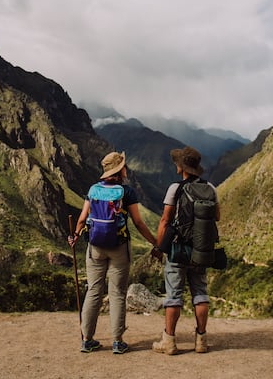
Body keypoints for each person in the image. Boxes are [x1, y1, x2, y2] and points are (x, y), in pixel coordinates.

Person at [68, 151, 161, 354]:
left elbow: (82, 219)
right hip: (119, 246)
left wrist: (75, 236)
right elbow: (138, 222)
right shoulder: (126, 192)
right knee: (117, 293)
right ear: (120, 170)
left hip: (95, 247)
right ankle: (117, 341)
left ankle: (87, 339)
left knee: (93, 290)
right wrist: (155, 243)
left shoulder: (93, 190)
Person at [152, 146, 220, 355]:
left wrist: (158, 246)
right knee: (200, 292)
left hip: (178, 248)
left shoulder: (176, 188)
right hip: (200, 249)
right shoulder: (211, 188)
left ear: (182, 167)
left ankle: (169, 342)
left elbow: (165, 219)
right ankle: (201, 340)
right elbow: (216, 217)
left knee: (174, 295)